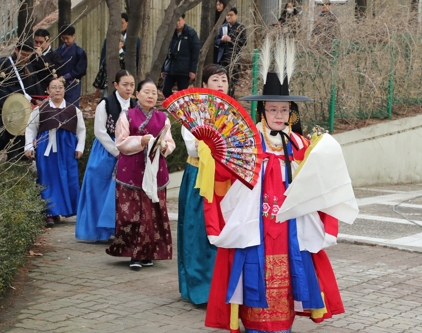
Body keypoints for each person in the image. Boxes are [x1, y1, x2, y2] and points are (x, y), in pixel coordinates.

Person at [203, 71, 358, 332]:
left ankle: (283, 325)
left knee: (288, 275)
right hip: (256, 226)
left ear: (291, 113)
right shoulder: (247, 143)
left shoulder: (301, 145)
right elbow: (224, 178)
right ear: (263, 110)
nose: (278, 115)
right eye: (273, 109)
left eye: (284, 110)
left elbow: (322, 184)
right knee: (255, 271)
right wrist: (217, 153)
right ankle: (253, 325)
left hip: (290, 228)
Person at [106, 78, 176, 269]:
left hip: (155, 172)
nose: (151, 96)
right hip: (132, 171)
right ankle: (134, 254)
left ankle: (147, 253)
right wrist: (141, 141)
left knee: (152, 214)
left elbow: (170, 143)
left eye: (154, 92)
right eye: (146, 91)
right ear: (137, 94)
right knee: (132, 214)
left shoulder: (163, 118)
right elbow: (121, 142)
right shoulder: (127, 116)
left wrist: (163, 146)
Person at [177, 64, 229, 305]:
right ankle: (199, 287)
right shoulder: (194, 110)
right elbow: (190, 146)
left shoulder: (232, 112)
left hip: (226, 180)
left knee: (225, 231)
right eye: (215, 79)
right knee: (197, 231)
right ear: (205, 84)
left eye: (224, 80)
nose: (220, 84)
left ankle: (225, 286)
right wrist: (208, 146)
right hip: (199, 176)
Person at [75, 70, 136, 241]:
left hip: (129, 150)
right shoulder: (106, 104)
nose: (129, 88)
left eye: (132, 84)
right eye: (125, 84)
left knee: (121, 192)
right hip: (106, 150)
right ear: (116, 85)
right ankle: (97, 231)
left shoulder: (135, 105)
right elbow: (99, 131)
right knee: (99, 188)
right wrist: (117, 151)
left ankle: (119, 229)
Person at [24, 78, 86, 227]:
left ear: (64, 90)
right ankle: (49, 212)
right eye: (54, 87)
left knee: (68, 177)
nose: (57, 90)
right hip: (47, 149)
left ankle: (66, 209)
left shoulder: (73, 110)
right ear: (48, 90)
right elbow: (31, 128)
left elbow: (81, 130)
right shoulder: (40, 109)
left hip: (67, 148)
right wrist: (28, 146)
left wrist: (80, 147)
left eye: (60, 87)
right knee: (48, 178)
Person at [0, 38, 44, 161]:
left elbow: (34, 86)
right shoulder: (3, 64)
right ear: (16, 50)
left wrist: (37, 98)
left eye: (28, 55)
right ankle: (12, 164)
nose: (25, 58)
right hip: (10, 109)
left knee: (25, 139)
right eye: (23, 54)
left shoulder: (28, 66)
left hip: (26, 110)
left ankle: (23, 163)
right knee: (12, 141)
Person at [161, 13, 201, 98]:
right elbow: (165, 51)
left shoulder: (191, 33)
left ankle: (180, 108)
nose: (177, 23)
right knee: (165, 90)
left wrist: (193, 70)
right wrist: (163, 68)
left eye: (179, 20)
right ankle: (173, 106)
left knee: (183, 94)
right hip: (170, 67)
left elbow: (195, 52)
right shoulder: (170, 33)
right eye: (175, 20)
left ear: (184, 20)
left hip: (184, 69)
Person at [214, 7, 246, 98]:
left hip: (233, 58)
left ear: (236, 15)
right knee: (222, 79)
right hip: (222, 58)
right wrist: (221, 40)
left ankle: (230, 98)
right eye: (227, 15)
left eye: (231, 15)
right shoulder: (223, 27)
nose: (229, 17)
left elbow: (243, 42)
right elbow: (215, 41)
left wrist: (231, 40)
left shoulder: (240, 27)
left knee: (232, 81)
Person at [56, 25, 87, 108]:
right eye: (63, 38)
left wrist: (66, 77)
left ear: (74, 36)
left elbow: (81, 70)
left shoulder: (79, 52)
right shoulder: (58, 50)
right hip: (59, 82)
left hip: (72, 83)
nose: (65, 41)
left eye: (67, 38)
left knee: (71, 107)